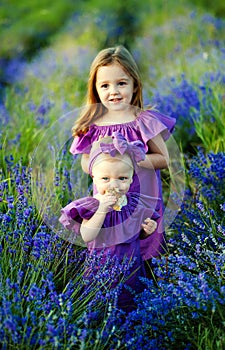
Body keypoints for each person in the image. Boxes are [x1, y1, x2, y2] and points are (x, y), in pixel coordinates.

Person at [70, 45, 176, 271]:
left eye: (121, 83)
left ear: (134, 84)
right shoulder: (93, 124)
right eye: (105, 86)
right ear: (95, 89)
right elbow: (85, 161)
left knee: (145, 245)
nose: (113, 91)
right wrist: (99, 163)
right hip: (109, 198)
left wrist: (134, 158)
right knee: (111, 249)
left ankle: (150, 287)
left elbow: (164, 159)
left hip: (142, 196)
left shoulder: (143, 121)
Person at [60, 133, 159, 312]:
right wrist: (101, 210)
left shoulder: (135, 204)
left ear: (131, 178)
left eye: (122, 178)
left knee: (131, 301)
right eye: (105, 179)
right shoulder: (92, 205)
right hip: (101, 268)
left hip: (131, 267)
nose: (114, 185)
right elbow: (87, 235)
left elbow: (136, 235)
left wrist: (146, 231)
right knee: (100, 304)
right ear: (94, 179)